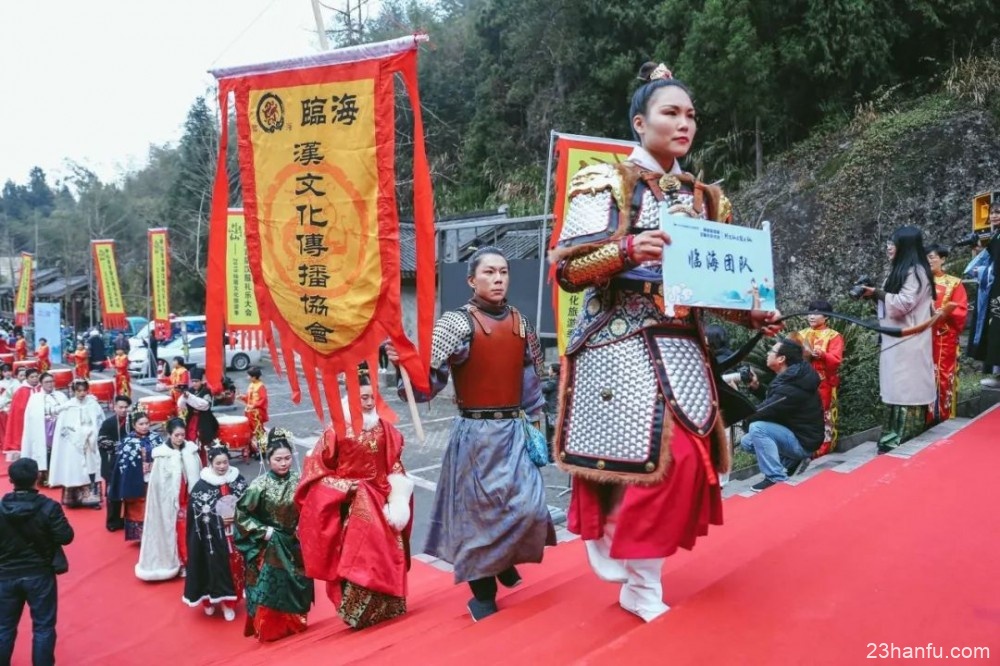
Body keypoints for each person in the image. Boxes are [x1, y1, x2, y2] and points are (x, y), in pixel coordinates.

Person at [549, 62, 782, 622]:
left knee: (686, 462)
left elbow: (711, 287)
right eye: (671, 113)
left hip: (683, 346)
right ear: (639, 121)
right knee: (662, 458)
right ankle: (637, 574)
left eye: (691, 115)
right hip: (620, 343)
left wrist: (750, 314)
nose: (685, 124)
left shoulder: (708, 200)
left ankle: (638, 572)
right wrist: (628, 250)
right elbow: (567, 272)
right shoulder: (605, 181)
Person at [386, 245, 554, 622]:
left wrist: (537, 424)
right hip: (475, 434)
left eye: (504, 272)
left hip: (514, 430)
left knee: (527, 507)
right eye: (490, 272)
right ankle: (483, 591)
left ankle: (503, 559)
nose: (498, 279)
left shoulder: (521, 322)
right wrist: (405, 368)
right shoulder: (455, 324)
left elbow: (530, 382)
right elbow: (427, 384)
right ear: (471, 280)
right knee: (477, 517)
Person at [296, 377, 412, 629]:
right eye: (364, 398)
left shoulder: (385, 429)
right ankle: (358, 612)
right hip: (351, 505)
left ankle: (389, 606)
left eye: (373, 397)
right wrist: (344, 486)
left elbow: (393, 462)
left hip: (382, 502)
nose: (370, 403)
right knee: (360, 558)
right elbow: (316, 470)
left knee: (390, 554)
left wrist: (399, 493)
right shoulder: (335, 431)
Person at [862, 225, 936, 452]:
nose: (889, 247)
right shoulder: (902, 270)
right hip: (895, 339)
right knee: (895, 387)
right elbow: (891, 304)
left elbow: (902, 304)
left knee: (906, 388)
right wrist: (873, 295)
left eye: (893, 243)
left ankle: (902, 436)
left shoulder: (917, 272)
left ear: (905, 246)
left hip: (909, 341)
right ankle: (891, 435)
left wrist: (876, 293)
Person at [234, 429, 313, 642]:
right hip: (268, 546)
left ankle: (294, 624)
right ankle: (270, 631)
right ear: (268, 460)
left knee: (296, 583)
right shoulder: (258, 486)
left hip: (294, 543)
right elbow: (241, 515)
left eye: (287, 458)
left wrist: (303, 525)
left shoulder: (299, 481)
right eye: (278, 459)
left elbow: (309, 507)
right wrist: (264, 531)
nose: (284, 463)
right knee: (270, 590)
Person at [0, 458, 74, 666]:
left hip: (5, 574)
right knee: (43, 627)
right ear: (37, 477)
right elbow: (65, 536)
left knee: (4, 627)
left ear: (12, 480)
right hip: (39, 573)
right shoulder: (49, 507)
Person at [739, 339, 825, 492]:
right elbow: (775, 401)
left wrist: (744, 420)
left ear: (781, 359)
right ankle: (791, 460)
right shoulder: (794, 376)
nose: (767, 353)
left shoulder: (792, 385)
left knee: (757, 428)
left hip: (804, 442)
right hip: (799, 435)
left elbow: (767, 409)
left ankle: (776, 478)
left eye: (771, 351)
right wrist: (756, 387)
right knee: (747, 441)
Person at [183, 446, 249, 622]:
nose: (222, 466)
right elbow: (196, 517)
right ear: (210, 463)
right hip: (211, 539)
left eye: (225, 462)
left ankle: (230, 603)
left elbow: (249, 504)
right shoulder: (201, 486)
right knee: (213, 567)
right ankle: (211, 601)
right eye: (218, 463)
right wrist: (218, 520)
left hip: (235, 535)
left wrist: (236, 517)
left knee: (235, 567)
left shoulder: (238, 480)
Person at [135, 418, 202, 581]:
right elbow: (158, 484)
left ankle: (194, 563)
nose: (180, 438)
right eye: (176, 435)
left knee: (192, 531)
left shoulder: (191, 451)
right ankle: (178, 562)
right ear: (169, 434)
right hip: (170, 503)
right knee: (175, 532)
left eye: (182, 435)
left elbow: (198, 473)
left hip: (190, 499)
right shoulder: (162, 455)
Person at [795, 300, 844, 456]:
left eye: (816, 313)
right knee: (803, 412)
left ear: (827, 316)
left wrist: (822, 355)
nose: (812, 316)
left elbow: (836, 359)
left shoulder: (834, 336)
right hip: (802, 381)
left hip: (824, 382)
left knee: (824, 413)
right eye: (810, 312)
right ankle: (804, 446)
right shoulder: (800, 334)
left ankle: (824, 447)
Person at [926, 244, 969, 421]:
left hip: (944, 336)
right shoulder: (919, 282)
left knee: (943, 375)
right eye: (926, 257)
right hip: (921, 336)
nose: (929, 261)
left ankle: (942, 415)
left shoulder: (954, 283)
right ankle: (923, 416)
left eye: (932, 257)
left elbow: (961, 310)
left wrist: (942, 314)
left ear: (943, 259)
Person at [47, 380, 105, 509]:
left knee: (92, 468)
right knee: (75, 469)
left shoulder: (93, 404)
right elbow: (65, 429)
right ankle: (74, 498)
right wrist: (78, 436)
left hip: (91, 442)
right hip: (74, 445)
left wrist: (92, 433)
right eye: (78, 390)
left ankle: (92, 499)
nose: (82, 393)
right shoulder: (68, 406)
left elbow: (99, 421)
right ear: (73, 391)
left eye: (84, 390)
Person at [108, 413, 165, 542]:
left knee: (154, 505)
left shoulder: (156, 438)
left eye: (147, 423)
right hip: (136, 479)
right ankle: (140, 535)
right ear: (134, 425)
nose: (145, 427)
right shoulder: (128, 441)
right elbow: (123, 465)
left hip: (154, 477)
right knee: (138, 506)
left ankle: (156, 535)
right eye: (141, 424)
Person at [965, 218, 1000, 387]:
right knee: (995, 330)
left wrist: (987, 271)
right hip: (996, 291)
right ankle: (997, 374)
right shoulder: (997, 236)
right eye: (992, 212)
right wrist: (977, 249)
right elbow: (989, 261)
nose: (994, 216)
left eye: (998, 212)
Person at [21, 374, 67, 484]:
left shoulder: (61, 395)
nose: (50, 384)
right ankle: (45, 476)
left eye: (52, 381)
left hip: (59, 429)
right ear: (41, 384)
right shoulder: (35, 398)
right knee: (45, 453)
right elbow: (32, 416)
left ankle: (61, 475)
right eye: (47, 382)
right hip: (43, 430)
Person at [97, 395, 132, 531]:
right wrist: (122, 445)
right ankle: (113, 522)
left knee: (130, 493)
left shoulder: (133, 422)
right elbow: (101, 441)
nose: (123, 410)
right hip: (112, 463)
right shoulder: (108, 423)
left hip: (129, 463)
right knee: (113, 494)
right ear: (114, 407)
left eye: (125, 407)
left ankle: (129, 520)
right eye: (120, 407)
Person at [178, 368, 219, 464]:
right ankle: (193, 463)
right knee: (190, 440)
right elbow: (181, 405)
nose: (194, 384)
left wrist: (190, 397)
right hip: (192, 419)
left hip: (204, 420)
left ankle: (204, 464)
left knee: (203, 442)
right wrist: (184, 397)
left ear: (201, 381)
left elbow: (204, 405)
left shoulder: (206, 391)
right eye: (193, 381)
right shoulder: (190, 390)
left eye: (196, 381)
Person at [3, 369, 36, 463]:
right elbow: (17, 410)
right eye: (32, 377)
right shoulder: (21, 391)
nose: (34, 379)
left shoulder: (40, 389)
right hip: (24, 421)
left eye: (36, 376)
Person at [238, 367, 268, 453]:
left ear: (254, 377)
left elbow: (263, 399)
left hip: (257, 412)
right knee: (250, 430)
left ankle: (263, 450)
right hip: (249, 411)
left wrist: (254, 405)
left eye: (249, 376)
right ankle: (253, 448)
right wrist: (242, 397)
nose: (248, 378)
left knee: (258, 430)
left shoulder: (261, 386)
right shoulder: (251, 385)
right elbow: (248, 398)